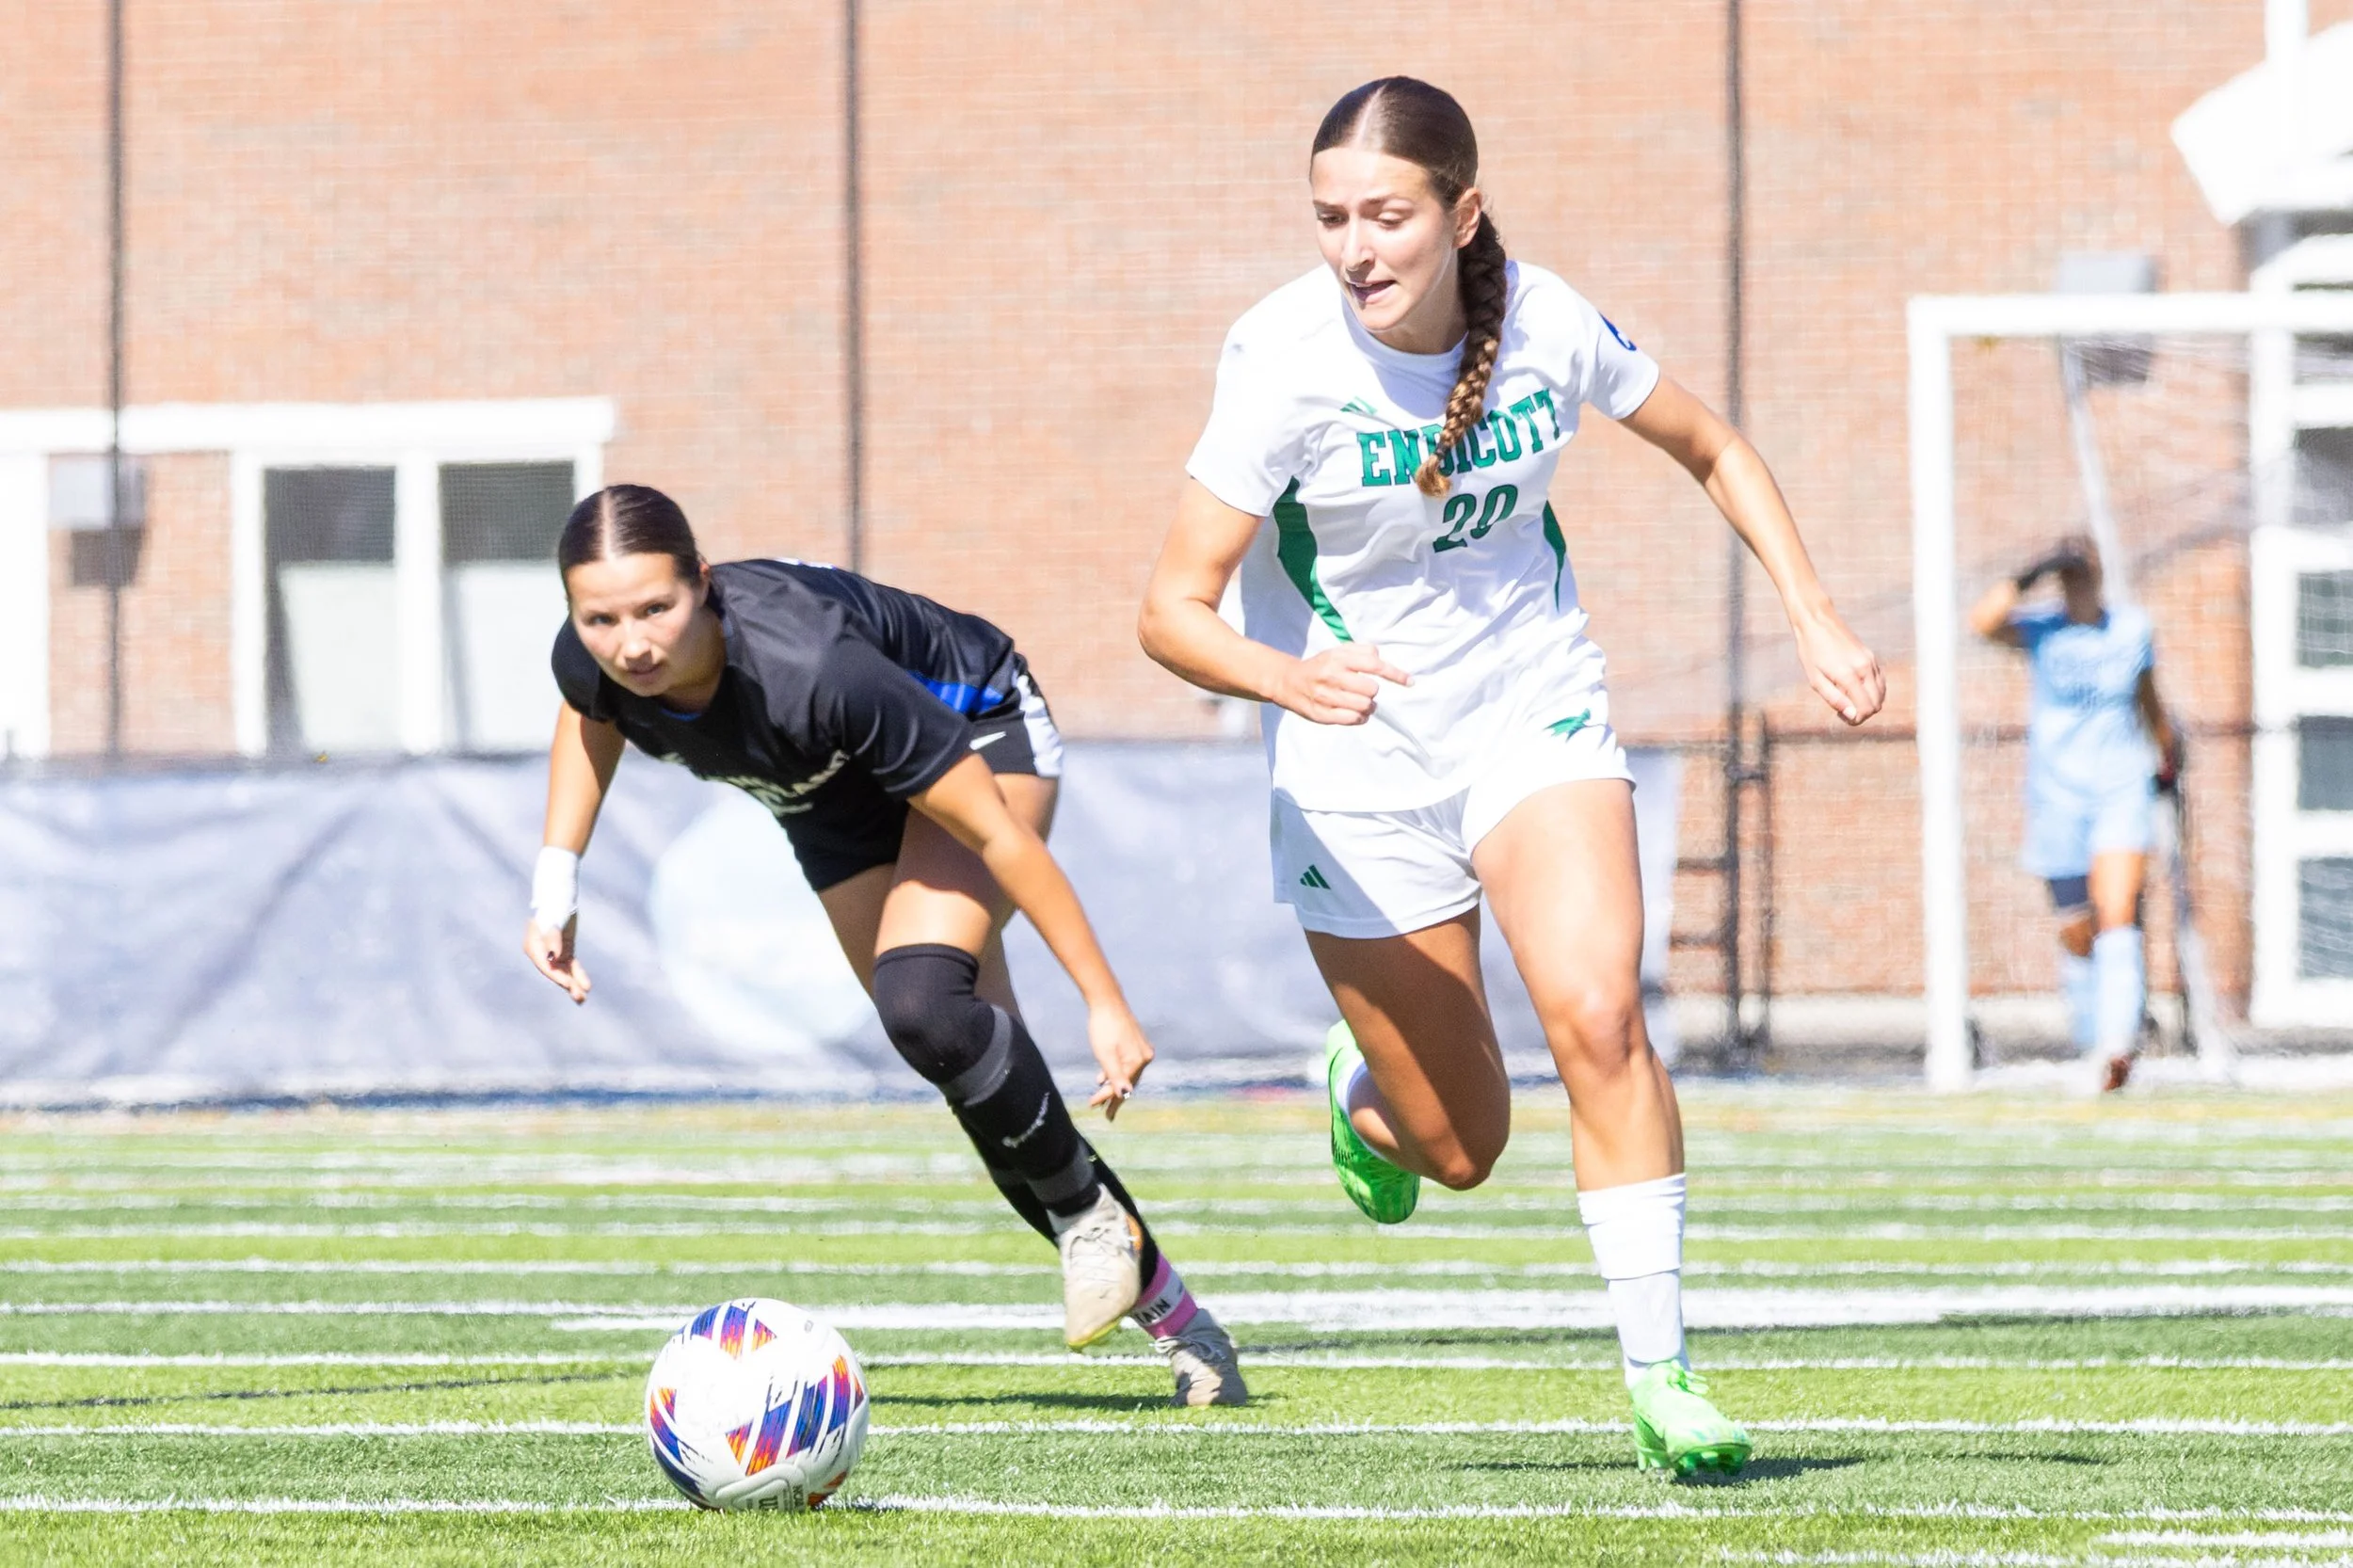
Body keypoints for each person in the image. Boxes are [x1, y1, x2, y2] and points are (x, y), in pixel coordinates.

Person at [1137, 77, 1883, 1476]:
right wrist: (1283, 677)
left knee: (1601, 1017)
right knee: (1460, 1146)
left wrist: (1814, 614)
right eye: (1331, 219)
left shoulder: (1544, 320)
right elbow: (1171, 609)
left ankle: (1663, 1378)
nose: (1356, 247)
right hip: (1354, 768)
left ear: (1460, 212)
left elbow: (1712, 446)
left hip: (1531, 717)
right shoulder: (1281, 359)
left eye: (1387, 215)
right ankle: (1364, 1090)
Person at [524, 484, 1244, 1406]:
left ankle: (1089, 1220)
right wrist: (557, 883)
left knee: (922, 1003)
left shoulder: (814, 665)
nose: (631, 643)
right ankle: (1185, 1325)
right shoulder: (594, 660)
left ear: (702, 584)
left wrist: (1104, 1002)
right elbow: (588, 716)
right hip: (828, 796)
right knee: (965, 1063)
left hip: (982, 726)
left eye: (656, 607)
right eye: (601, 618)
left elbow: (999, 837)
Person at [1968, 537, 2179, 1093]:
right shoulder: (2043, 632)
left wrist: (2165, 745)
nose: (2077, 585)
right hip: (2056, 796)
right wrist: (2029, 571)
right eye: (2068, 576)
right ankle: (2092, 1036)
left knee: (2117, 914)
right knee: (2077, 929)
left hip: (2120, 787)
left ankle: (2118, 1046)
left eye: (2084, 573)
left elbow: (2147, 695)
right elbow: (1983, 621)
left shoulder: (2130, 630)